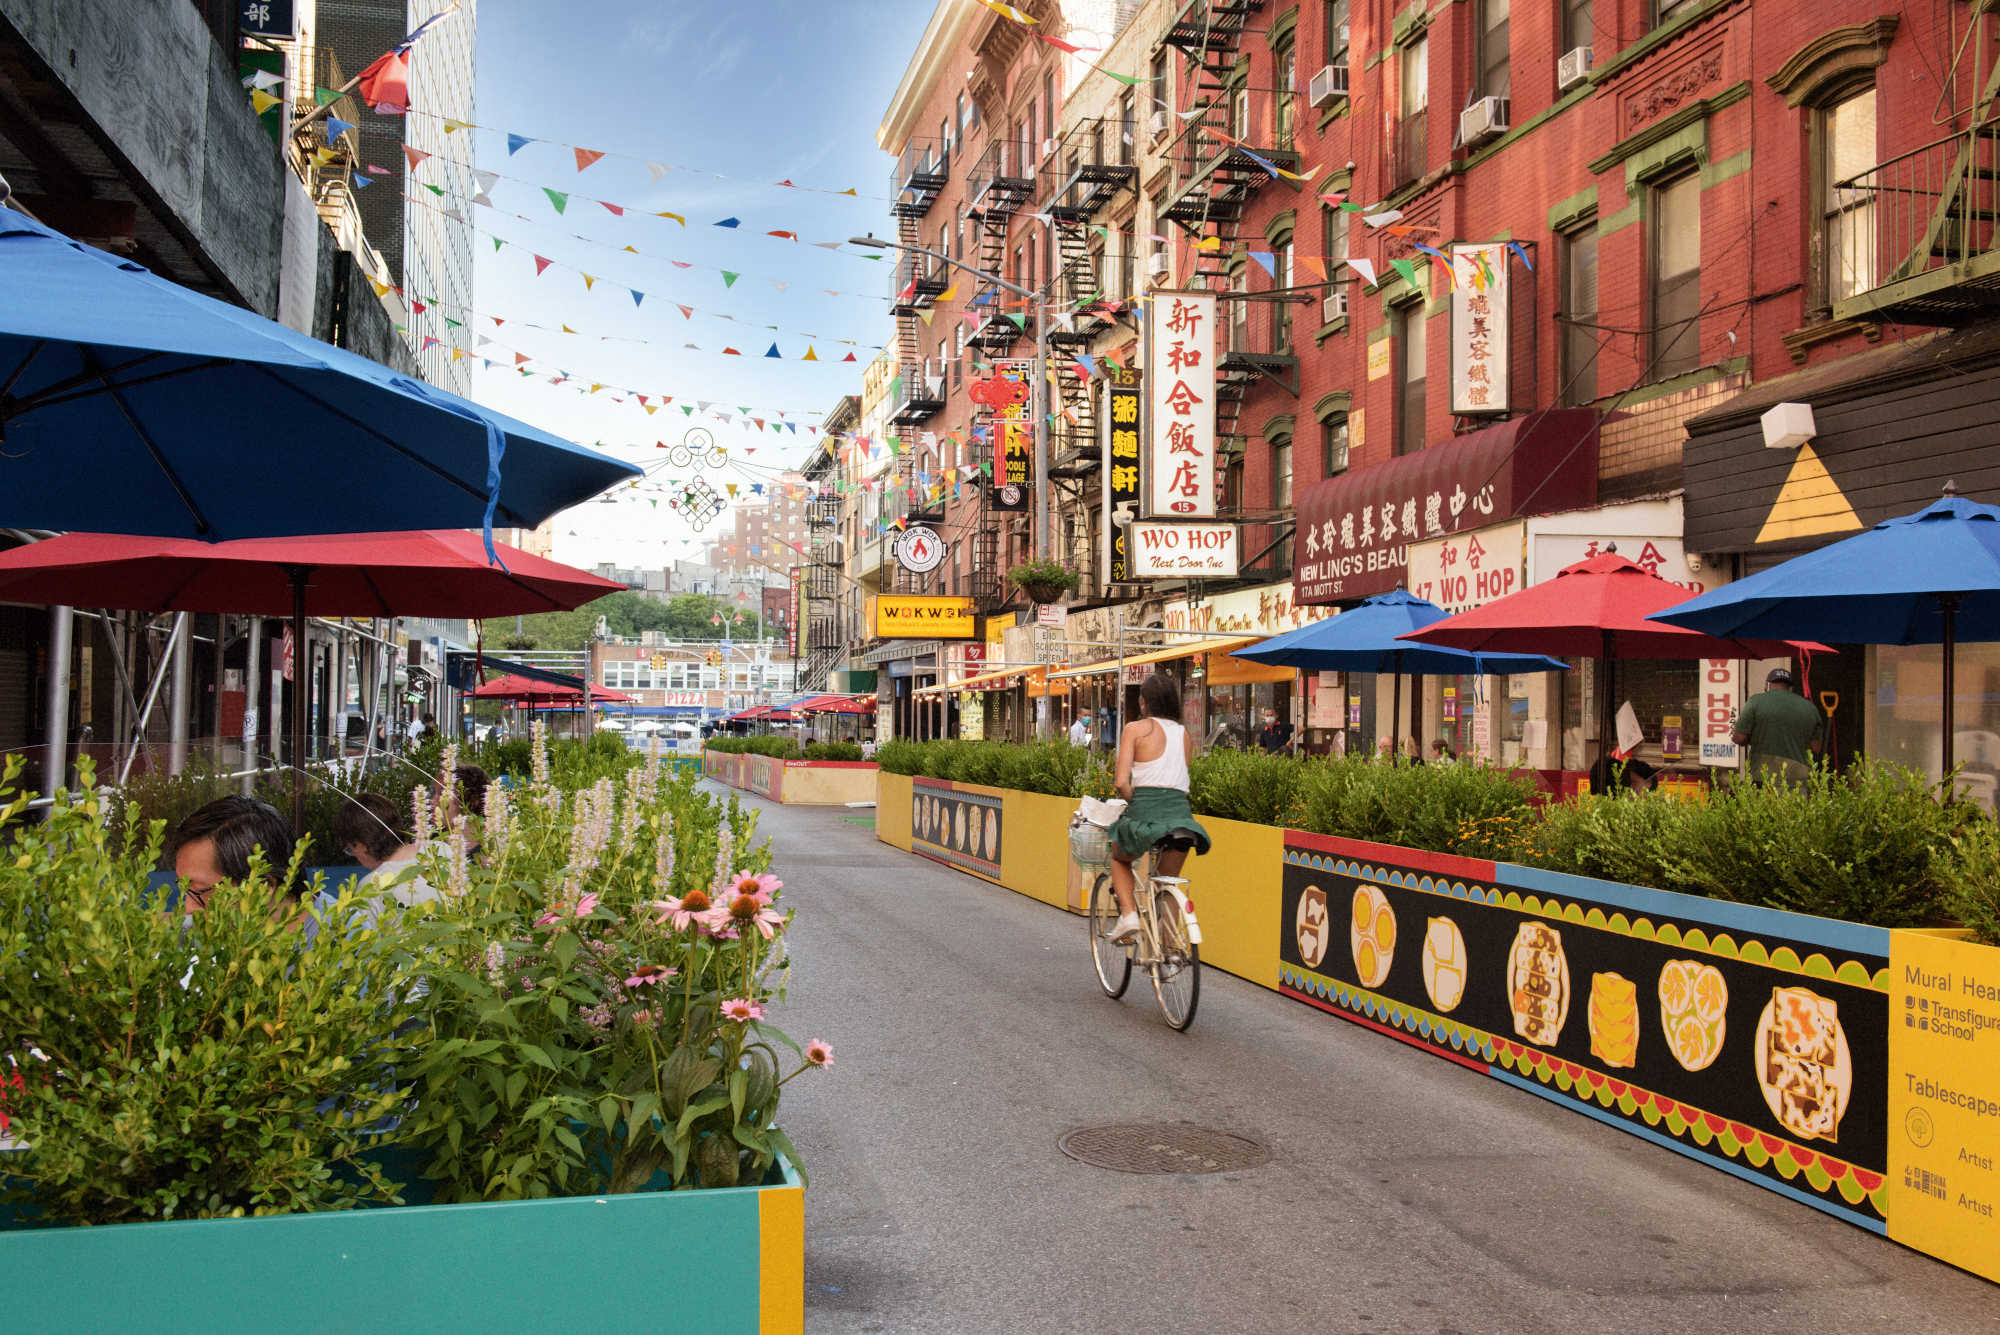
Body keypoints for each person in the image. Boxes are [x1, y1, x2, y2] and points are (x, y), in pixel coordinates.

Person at [1104, 674, 1212, 944]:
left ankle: (1128, 915)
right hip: (1181, 816)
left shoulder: (1135, 729)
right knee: (1168, 881)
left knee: (1118, 855)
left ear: (1143, 703)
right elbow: (1179, 778)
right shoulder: (1184, 735)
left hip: (1147, 810)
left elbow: (1120, 782)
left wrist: (1134, 800)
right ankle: (1171, 950)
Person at [168, 796, 297, 912]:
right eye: (186, 889)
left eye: (200, 891)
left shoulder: (316, 936)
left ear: (261, 886)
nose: (188, 908)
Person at [333, 794, 437, 915]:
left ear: (361, 844)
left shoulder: (370, 888)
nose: (356, 857)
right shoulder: (441, 850)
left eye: (350, 850)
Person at [1731, 667, 1824, 784]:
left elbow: (1739, 738)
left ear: (1767, 685)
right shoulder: (1810, 707)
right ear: (1790, 688)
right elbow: (1816, 748)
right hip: (1798, 777)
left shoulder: (1755, 701)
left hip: (1763, 775)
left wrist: (1755, 737)